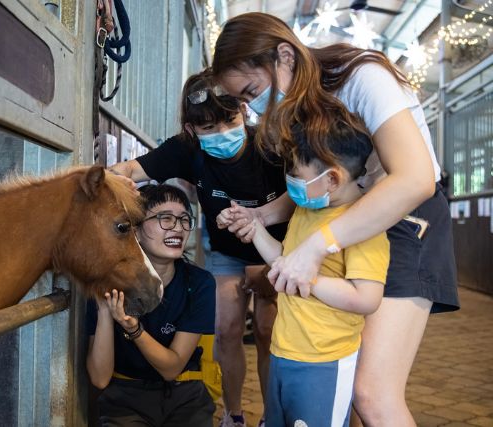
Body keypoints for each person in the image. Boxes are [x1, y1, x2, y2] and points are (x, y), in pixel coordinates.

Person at [211, 12, 459, 426]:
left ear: (284, 56)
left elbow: (415, 178)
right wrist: (260, 216)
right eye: (241, 101)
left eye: (251, 91)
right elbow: (320, 190)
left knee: (373, 394)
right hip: (349, 225)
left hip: (405, 220)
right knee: (348, 383)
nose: (250, 110)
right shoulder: (300, 109)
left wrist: (316, 245)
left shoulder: (360, 78)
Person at [110, 69, 292, 427]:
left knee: (270, 330)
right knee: (226, 328)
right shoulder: (186, 150)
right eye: (209, 128)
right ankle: (234, 413)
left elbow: (297, 197)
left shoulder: (270, 146)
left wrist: (257, 223)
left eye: (229, 120)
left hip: (278, 245)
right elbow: (129, 169)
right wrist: (112, 179)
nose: (223, 133)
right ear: (192, 130)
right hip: (226, 250)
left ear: (244, 110)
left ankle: (272, 415)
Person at [243, 123, 389, 426]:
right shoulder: (306, 211)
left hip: (325, 362)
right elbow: (286, 263)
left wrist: (310, 280)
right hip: (283, 353)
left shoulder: (363, 225)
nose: (289, 180)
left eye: (296, 174)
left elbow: (367, 298)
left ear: (332, 179)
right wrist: (254, 227)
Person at [86, 184, 216, 427]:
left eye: (184, 219)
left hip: (185, 395)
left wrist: (133, 329)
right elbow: (100, 378)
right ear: (135, 229)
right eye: (164, 218)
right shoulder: (109, 282)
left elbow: (172, 368)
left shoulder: (199, 283)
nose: (177, 227)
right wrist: (105, 311)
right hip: (124, 399)